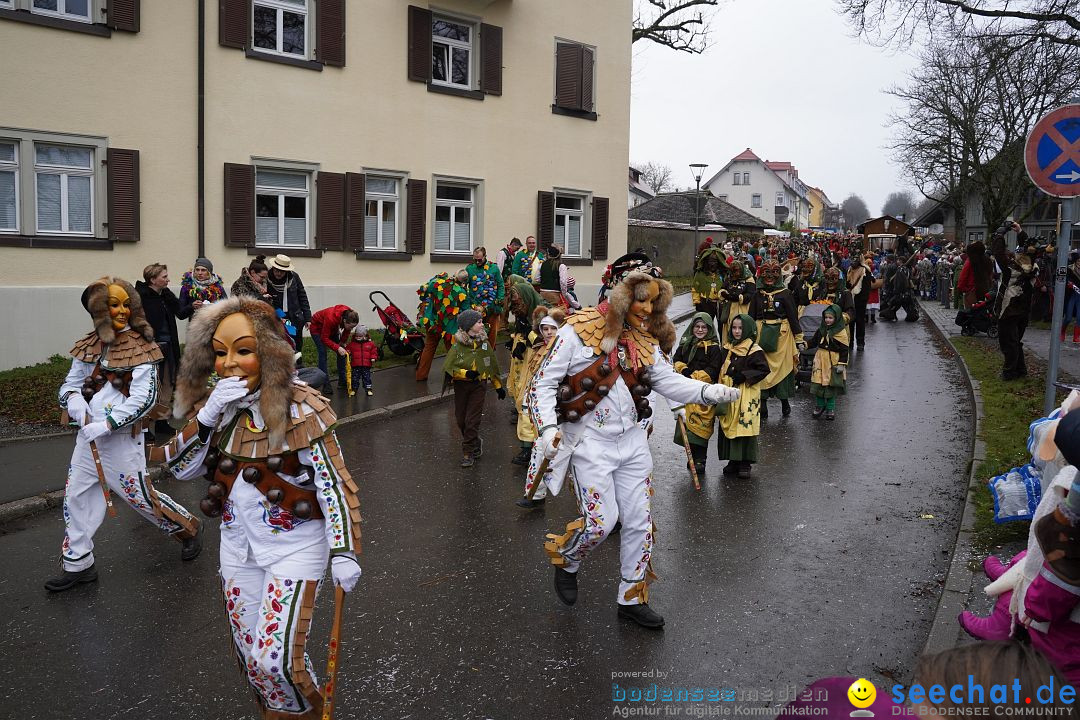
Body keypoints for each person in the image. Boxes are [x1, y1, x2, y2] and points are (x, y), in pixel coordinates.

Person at [155, 296, 362, 719]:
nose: (229, 363)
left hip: (296, 549)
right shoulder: (218, 408)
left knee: (277, 660)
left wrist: (343, 551)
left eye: (243, 350)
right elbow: (178, 468)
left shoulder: (305, 408)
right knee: (251, 656)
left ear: (269, 353)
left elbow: (333, 484)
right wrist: (208, 417)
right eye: (219, 353)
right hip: (236, 550)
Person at [531, 254, 740, 628]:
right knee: (599, 523)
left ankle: (630, 597)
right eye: (640, 299)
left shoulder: (646, 341)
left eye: (653, 301)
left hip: (632, 444)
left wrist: (709, 393)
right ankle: (569, 558)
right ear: (623, 295)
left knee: (640, 523)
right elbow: (543, 384)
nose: (647, 308)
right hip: (590, 445)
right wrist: (547, 429)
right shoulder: (576, 330)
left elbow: (668, 382)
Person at [46, 277, 202, 592]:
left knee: (139, 497)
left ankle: (187, 528)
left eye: (125, 304)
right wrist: (74, 402)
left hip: (121, 440)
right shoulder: (88, 345)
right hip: (87, 441)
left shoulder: (142, 346)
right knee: (76, 496)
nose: (121, 310)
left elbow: (144, 398)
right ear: (98, 311)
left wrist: (107, 424)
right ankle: (79, 563)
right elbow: (70, 383)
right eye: (112, 304)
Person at [443, 308, 506, 468]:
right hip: (462, 386)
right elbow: (450, 368)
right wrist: (465, 373)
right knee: (461, 420)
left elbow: (490, 364)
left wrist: (498, 386)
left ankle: (467, 452)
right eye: (478, 322)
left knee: (472, 421)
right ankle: (475, 441)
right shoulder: (457, 347)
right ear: (468, 325)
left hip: (479, 385)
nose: (482, 324)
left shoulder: (484, 345)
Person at [517, 307, 567, 508]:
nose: (548, 332)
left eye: (552, 328)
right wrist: (529, 403)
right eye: (544, 329)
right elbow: (535, 381)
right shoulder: (538, 350)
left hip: (568, 411)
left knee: (580, 461)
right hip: (547, 413)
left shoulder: (568, 350)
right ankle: (535, 495)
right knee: (540, 451)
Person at [135, 263, 191, 438]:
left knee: (167, 385)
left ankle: (161, 423)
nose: (168, 279)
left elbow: (180, 313)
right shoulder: (140, 297)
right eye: (164, 277)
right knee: (149, 388)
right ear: (153, 279)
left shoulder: (165, 294)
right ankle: (144, 428)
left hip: (169, 348)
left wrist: (193, 306)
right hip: (149, 350)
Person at [714, 314, 770, 479]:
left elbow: (763, 370)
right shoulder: (727, 347)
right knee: (729, 422)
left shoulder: (753, 349)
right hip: (729, 392)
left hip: (745, 394)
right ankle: (733, 460)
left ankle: (745, 461)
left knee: (743, 425)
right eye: (734, 328)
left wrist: (744, 375)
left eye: (740, 328)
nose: (737, 331)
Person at [670, 313, 723, 477]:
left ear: (709, 329)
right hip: (686, 391)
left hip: (703, 392)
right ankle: (692, 456)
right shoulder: (686, 344)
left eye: (703, 327)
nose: (700, 330)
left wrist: (694, 378)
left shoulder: (714, 348)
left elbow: (714, 369)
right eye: (697, 327)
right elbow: (676, 359)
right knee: (688, 426)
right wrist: (684, 370)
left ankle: (701, 459)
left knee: (702, 426)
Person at [750, 260, 803, 418]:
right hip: (761, 336)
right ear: (761, 274)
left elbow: (793, 317)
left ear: (779, 275)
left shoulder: (785, 293)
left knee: (784, 369)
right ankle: (763, 403)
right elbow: (750, 317)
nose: (770, 276)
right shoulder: (757, 294)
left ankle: (784, 402)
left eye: (774, 272)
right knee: (762, 368)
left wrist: (799, 338)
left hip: (783, 337)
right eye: (766, 272)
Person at [992, 223, 1036, 380]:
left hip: (1009, 308)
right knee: (1016, 341)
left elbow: (998, 253)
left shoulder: (1011, 269)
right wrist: (1020, 232)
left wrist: (999, 234)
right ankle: (1020, 370)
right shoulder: (1031, 266)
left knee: (1008, 342)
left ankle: (1009, 372)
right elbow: (1029, 251)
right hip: (1023, 309)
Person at [266, 254, 312, 359]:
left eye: (281, 271)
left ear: (286, 271)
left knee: (296, 342)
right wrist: (279, 316)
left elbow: (302, 296)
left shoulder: (294, 277)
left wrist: (308, 318)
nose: (278, 273)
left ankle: (298, 365)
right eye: (276, 270)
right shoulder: (267, 278)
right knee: (281, 343)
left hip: (294, 316)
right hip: (279, 315)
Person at [807, 304, 849, 420]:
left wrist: (842, 363)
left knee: (831, 385)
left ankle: (830, 408)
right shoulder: (822, 329)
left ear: (836, 318)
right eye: (826, 318)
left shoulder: (841, 332)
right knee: (818, 383)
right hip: (820, 359)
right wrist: (804, 345)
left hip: (833, 361)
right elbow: (814, 341)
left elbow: (845, 350)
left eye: (830, 318)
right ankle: (820, 405)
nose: (828, 320)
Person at [308, 305, 359, 396]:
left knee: (342, 353)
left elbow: (346, 330)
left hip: (331, 328)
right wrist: (337, 347)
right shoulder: (331, 318)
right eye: (351, 327)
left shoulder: (349, 314)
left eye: (353, 327)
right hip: (317, 328)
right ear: (344, 321)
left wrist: (342, 343)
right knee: (323, 353)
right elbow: (324, 338)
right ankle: (325, 384)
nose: (351, 329)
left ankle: (342, 381)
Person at [466, 246, 506, 346]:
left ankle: (489, 354)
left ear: (485, 256)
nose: (477, 262)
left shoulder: (494, 268)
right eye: (475, 260)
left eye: (479, 260)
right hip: (475, 308)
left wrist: (500, 299)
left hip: (492, 307)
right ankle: (477, 354)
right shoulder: (470, 269)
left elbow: (500, 284)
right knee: (475, 333)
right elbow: (464, 286)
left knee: (491, 333)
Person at [718, 257, 756, 339]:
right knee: (729, 328)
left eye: (737, 270)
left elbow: (751, 294)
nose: (736, 273)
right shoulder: (729, 278)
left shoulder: (749, 279)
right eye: (733, 271)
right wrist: (724, 294)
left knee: (741, 328)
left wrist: (739, 297)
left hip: (743, 309)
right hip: (729, 309)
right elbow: (723, 288)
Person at [846, 254, 876, 350]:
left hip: (860, 300)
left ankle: (860, 342)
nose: (853, 262)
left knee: (859, 321)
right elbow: (847, 283)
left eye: (855, 260)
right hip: (850, 298)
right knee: (849, 321)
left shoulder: (865, 270)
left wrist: (863, 300)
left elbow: (867, 287)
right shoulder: (850, 270)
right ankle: (850, 342)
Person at [537, 244, 581, 310]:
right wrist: (576, 305)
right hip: (555, 295)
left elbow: (537, 279)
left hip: (542, 293)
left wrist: (546, 281)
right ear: (559, 255)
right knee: (556, 316)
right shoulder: (562, 266)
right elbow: (563, 283)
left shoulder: (541, 265)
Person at [690, 245, 726, 323]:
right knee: (706, 326)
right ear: (706, 262)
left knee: (722, 327)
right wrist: (697, 302)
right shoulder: (700, 274)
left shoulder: (723, 274)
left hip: (721, 304)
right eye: (710, 261)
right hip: (706, 304)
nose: (712, 264)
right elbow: (695, 288)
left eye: (715, 261)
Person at [957, 240, 993, 309]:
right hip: (985, 289)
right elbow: (990, 274)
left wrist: (961, 288)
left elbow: (963, 276)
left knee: (971, 312)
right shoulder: (988, 260)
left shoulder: (970, 260)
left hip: (972, 290)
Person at [347, 324, 379, 396]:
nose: (358, 337)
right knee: (355, 378)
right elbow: (348, 349)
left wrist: (373, 357)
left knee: (367, 378)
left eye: (360, 336)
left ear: (365, 336)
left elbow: (374, 351)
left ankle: (368, 389)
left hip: (366, 365)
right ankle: (354, 389)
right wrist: (348, 352)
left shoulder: (370, 344)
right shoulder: (352, 344)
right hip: (356, 364)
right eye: (357, 336)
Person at [1062, 253, 1080, 344]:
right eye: (1078, 260)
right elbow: (1066, 280)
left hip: (1079, 296)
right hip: (1071, 295)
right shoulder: (1070, 268)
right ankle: (1062, 331)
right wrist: (1069, 284)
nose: (1079, 262)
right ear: (1075, 261)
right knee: (1068, 317)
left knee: (1079, 317)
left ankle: (1076, 336)